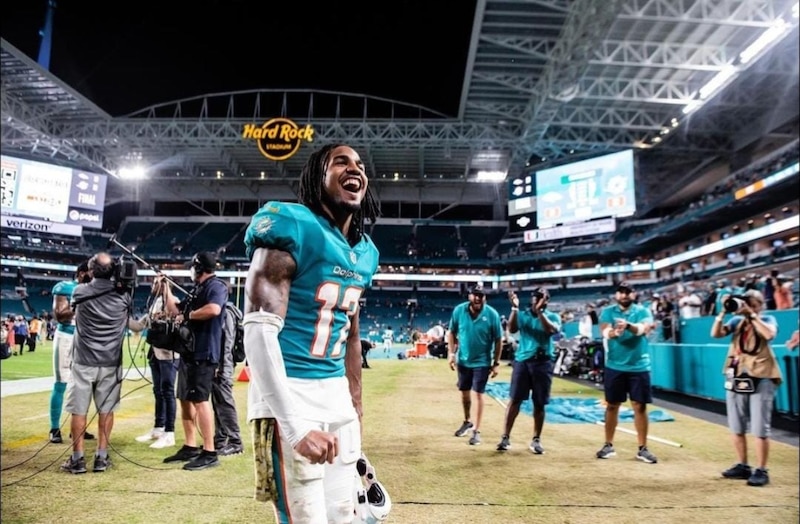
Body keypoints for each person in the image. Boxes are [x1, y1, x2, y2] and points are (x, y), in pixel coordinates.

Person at [242, 143, 380, 522]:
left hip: (336, 396)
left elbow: (351, 335)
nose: (354, 169)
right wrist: (295, 426)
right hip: (291, 393)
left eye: (360, 164)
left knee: (345, 515)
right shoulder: (292, 224)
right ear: (318, 177)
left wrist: (355, 407)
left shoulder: (365, 252)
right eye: (341, 162)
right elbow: (257, 330)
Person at [61, 252, 139, 474]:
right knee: (106, 410)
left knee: (79, 410)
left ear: (91, 270)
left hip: (84, 361)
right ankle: (101, 458)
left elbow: (71, 309)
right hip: (111, 363)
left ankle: (77, 460)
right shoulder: (124, 296)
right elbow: (130, 318)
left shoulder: (79, 291)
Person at [161, 251, 228, 471]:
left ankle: (209, 451)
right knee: (184, 398)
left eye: (193, 267)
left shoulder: (216, 286)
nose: (190, 270)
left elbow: (214, 309)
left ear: (199, 269)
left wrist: (188, 316)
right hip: (189, 353)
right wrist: (166, 289)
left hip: (204, 352)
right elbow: (175, 311)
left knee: (200, 400)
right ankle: (190, 445)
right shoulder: (197, 289)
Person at [710, 289, 782, 487]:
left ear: (760, 306)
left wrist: (751, 315)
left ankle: (761, 469)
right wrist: (723, 312)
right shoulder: (736, 322)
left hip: (762, 376)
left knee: (759, 427)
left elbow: (768, 334)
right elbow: (715, 334)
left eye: (753, 304)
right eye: (746, 303)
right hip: (737, 374)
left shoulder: (767, 319)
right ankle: (743, 465)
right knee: (736, 425)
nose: (748, 307)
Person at [596, 281, 658, 464]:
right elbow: (605, 331)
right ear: (616, 295)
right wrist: (615, 332)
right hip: (615, 365)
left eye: (628, 292)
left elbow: (643, 329)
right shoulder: (607, 311)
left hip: (639, 365)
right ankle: (608, 445)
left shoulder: (643, 311)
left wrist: (628, 325)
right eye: (621, 292)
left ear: (633, 294)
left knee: (640, 406)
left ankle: (643, 448)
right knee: (612, 405)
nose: (624, 295)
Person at [497, 287, 561, 454]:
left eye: (541, 298)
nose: (537, 300)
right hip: (523, 361)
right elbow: (511, 329)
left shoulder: (553, 316)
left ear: (546, 301)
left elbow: (551, 331)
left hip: (543, 362)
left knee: (539, 403)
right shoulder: (523, 314)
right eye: (536, 297)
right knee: (515, 400)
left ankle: (536, 439)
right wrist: (514, 308)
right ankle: (505, 437)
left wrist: (540, 313)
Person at [447, 284, 503, 446]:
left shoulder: (492, 314)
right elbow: (451, 332)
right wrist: (451, 354)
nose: (478, 298)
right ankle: (467, 421)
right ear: (469, 296)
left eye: (481, 295)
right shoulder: (459, 310)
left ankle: (476, 431)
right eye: (475, 295)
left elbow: (498, 340)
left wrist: (496, 362)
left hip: (482, 361)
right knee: (464, 393)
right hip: (463, 360)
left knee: (478, 393)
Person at [49, 261, 95, 444]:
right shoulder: (65, 287)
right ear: (82, 273)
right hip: (66, 337)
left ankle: (77, 428)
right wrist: (79, 302)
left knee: (84, 385)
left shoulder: (94, 289)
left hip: (85, 339)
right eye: (91, 273)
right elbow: (59, 315)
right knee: (61, 383)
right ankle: (54, 428)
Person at [134, 275, 181, 449]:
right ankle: (158, 428)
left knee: (168, 391)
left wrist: (166, 287)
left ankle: (170, 433)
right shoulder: (154, 304)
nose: (154, 285)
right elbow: (138, 326)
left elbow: (173, 312)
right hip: (155, 352)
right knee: (158, 391)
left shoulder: (173, 300)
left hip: (169, 354)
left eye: (157, 282)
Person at [212, 299, 244, 456]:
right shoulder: (231, 310)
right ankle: (220, 439)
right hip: (223, 363)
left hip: (223, 364)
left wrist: (219, 365)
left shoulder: (225, 313)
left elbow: (226, 341)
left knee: (224, 402)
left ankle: (235, 442)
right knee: (219, 402)